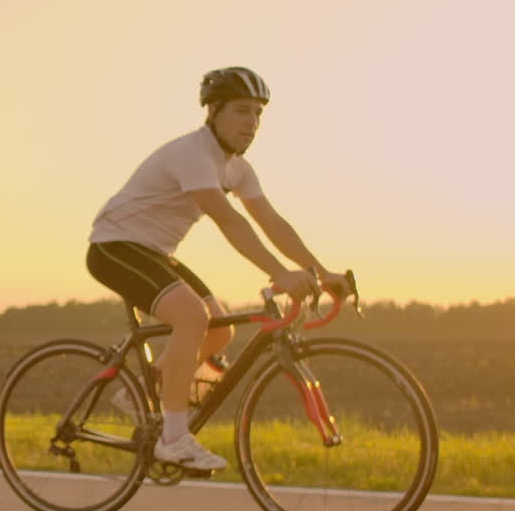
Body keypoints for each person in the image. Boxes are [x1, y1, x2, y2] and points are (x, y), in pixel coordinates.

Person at [86, 66, 350, 471]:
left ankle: (143, 392)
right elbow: (229, 220)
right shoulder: (192, 153)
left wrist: (319, 270)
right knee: (191, 317)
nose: (252, 123)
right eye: (243, 111)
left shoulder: (237, 168)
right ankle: (173, 439)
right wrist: (280, 273)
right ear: (214, 111)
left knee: (220, 328)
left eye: (258, 114)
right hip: (114, 246)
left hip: (156, 252)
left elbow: (272, 222)